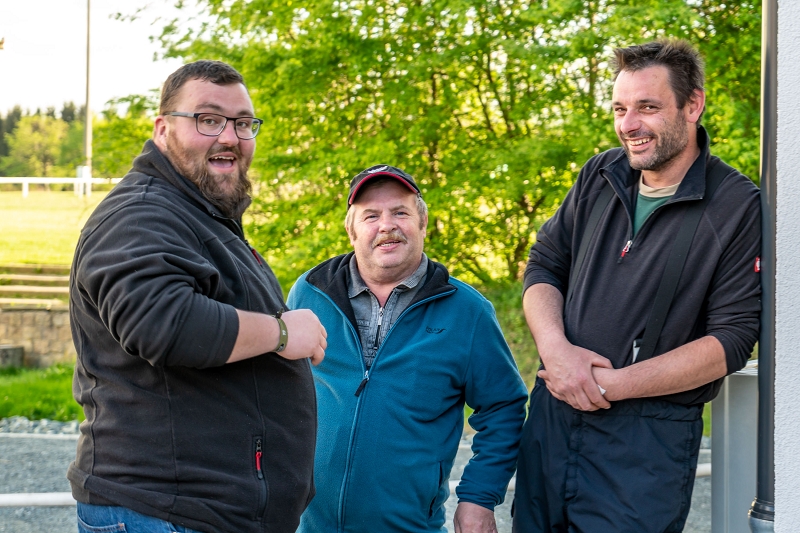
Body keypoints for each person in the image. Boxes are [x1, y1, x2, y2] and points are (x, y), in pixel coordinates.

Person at [511, 38, 761, 532]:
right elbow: (543, 265)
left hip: (645, 448)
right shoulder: (600, 174)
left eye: (647, 107)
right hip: (552, 420)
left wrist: (609, 385)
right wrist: (557, 353)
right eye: (620, 109)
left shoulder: (735, 205)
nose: (629, 125)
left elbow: (731, 340)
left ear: (693, 105)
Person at [68, 60, 327, 533]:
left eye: (243, 123)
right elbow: (162, 323)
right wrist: (283, 332)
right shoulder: (141, 214)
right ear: (162, 129)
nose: (229, 136)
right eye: (208, 120)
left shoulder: (196, 215)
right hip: (163, 513)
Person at [287, 164, 528, 532]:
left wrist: (478, 498)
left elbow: (503, 407)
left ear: (422, 223)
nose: (387, 226)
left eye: (400, 212)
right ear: (351, 230)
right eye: (371, 216)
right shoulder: (309, 293)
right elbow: (275, 395)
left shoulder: (467, 311)